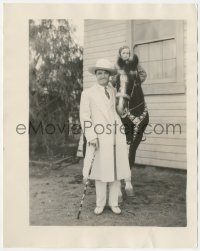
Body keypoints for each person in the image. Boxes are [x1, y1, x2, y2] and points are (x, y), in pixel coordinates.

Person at [79, 58, 131, 215]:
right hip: (99, 137)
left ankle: (114, 202)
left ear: (109, 76)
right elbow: (85, 116)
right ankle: (100, 203)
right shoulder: (87, 93)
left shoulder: (114, 91)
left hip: (116, 135)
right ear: (96, 75)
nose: (102, 76)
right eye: (99, 73)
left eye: (105, 73)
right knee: (100, 172)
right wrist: (91, 136)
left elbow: (117, 110)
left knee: (116, 170)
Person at [111, 45, 148, 194]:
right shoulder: (117, 65)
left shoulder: (135, 64)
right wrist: (116, 83)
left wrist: (138, 80)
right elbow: (113, 78)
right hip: (121, 92)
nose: (126, 55)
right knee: (116, 106)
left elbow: (143, 74)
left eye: (128, 52)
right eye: (123, 53)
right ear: (120, 54)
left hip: (132, 88)